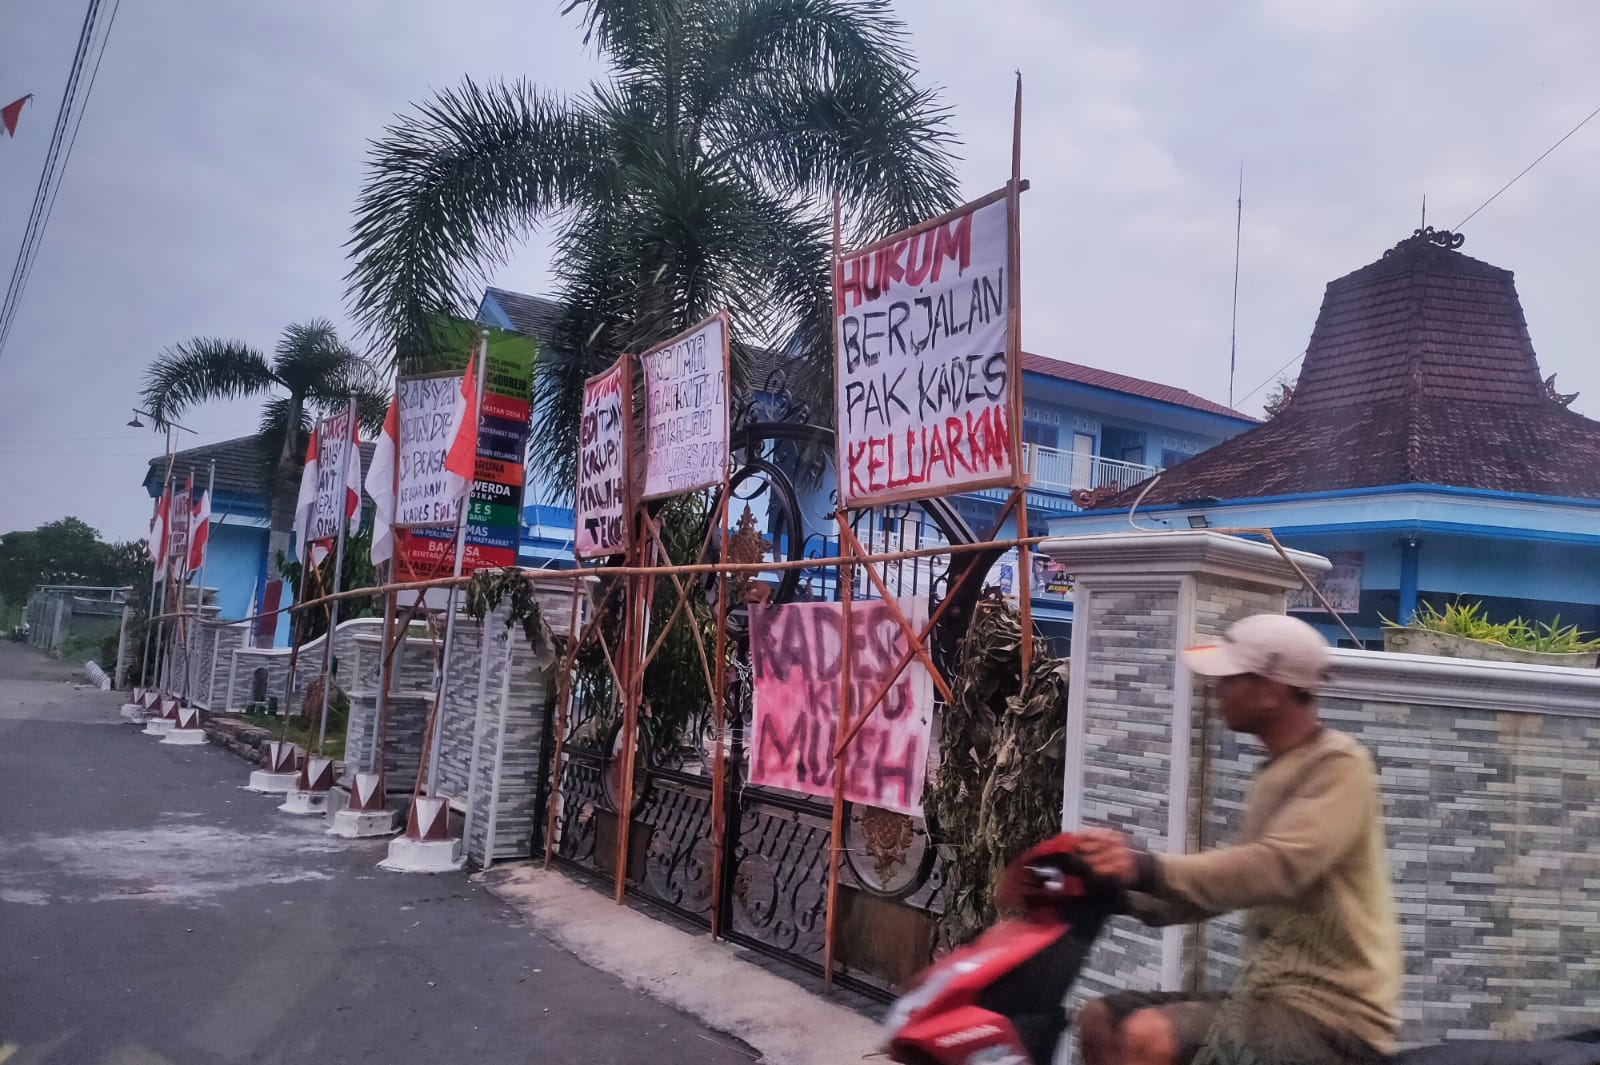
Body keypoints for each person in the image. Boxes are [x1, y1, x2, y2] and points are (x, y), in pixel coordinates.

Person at [1074, 613, 1401, 1065]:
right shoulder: (1275, 774)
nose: (1217, 690)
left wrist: (1146, 867)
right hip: (1272, 1000)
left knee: (1149, 1035)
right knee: (1101, 1019)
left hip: (1334, 1016)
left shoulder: (1340, 767)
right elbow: (1213, 892)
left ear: (1270, 690)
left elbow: (1273, 868)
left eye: (1230, 679)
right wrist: (1110, 889)